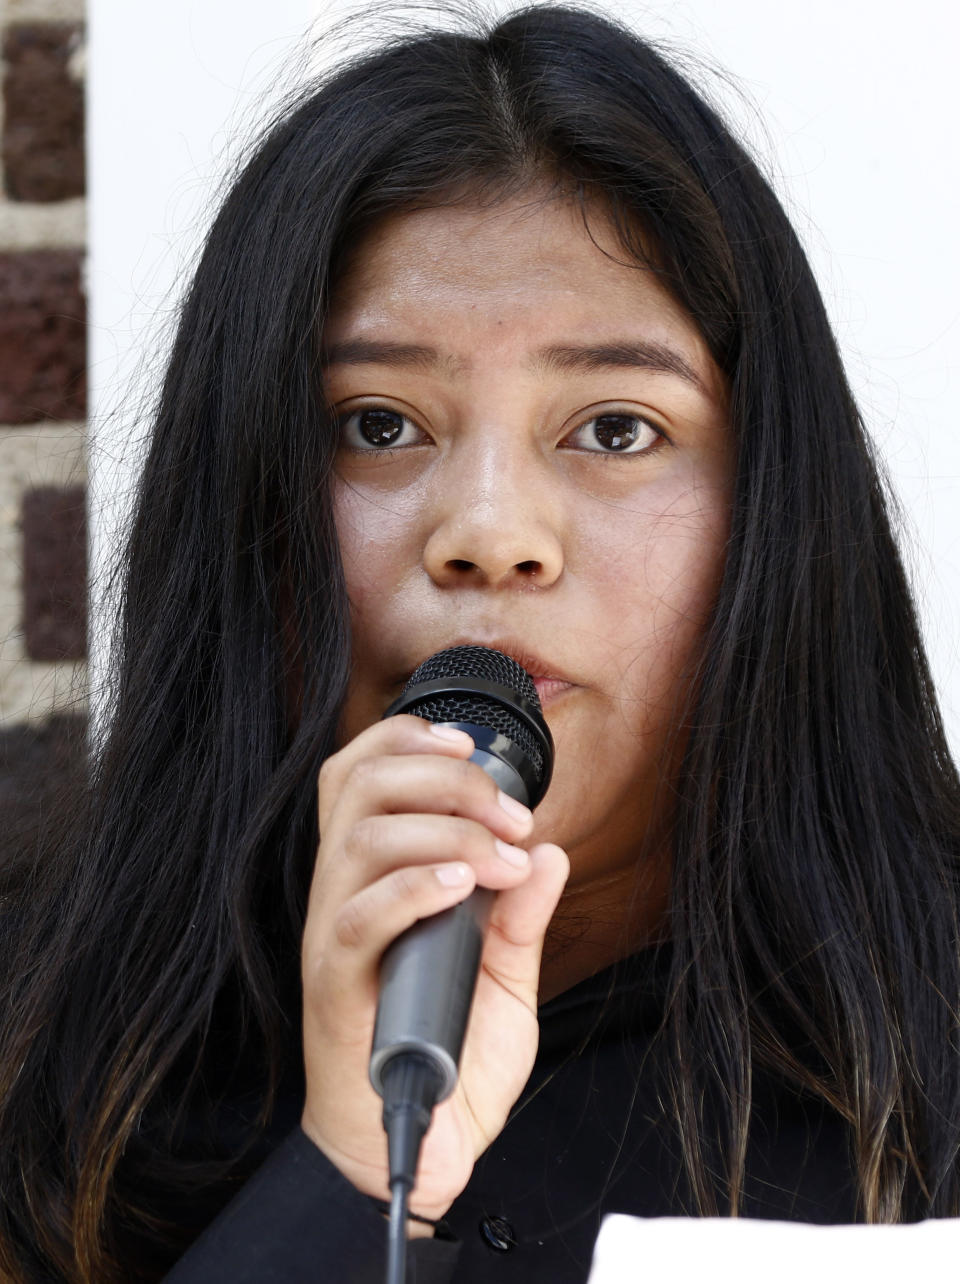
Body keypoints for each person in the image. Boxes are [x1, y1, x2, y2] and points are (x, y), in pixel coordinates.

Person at [2, 5, 959, 1281]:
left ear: (771, 508)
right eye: (379, 425)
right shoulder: (45, 1043)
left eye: (615, 428)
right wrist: (350, 1166)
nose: (492, 535)